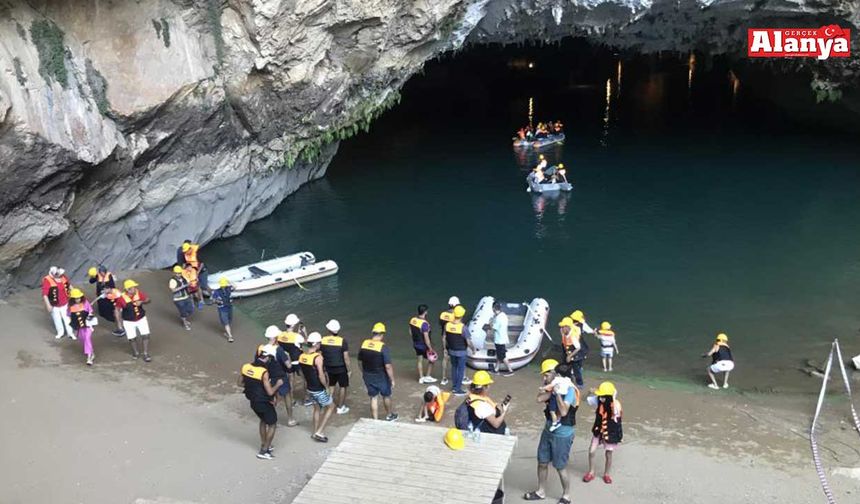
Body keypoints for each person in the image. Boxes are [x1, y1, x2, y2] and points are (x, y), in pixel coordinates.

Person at [524, 359, 579, 503]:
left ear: (555, 374)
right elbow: (539, 399)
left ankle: (566, 495)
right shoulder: (551, 386)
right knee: (542, 462)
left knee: (560, 467)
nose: (543, 378)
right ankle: (541, 491)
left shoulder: (570, 390)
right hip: (548, 430)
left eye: (545, 375)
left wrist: (557, 393)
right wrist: (549, 389)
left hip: (563, 434)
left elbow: (564, 411)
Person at [238, 344, 283, 460]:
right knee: (272, 424)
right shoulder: (264, 372)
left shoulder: (246, 367)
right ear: (267, 357)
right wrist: (278, 384)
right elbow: (269, 392)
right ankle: (264, 451)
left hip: (253, 401)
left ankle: (264, 443)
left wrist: (253, 384)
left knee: (263, 420)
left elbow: (239, 383)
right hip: (263, 401)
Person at [583, 381, 623, 484]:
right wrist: (589, 392)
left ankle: (606, 474)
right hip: (598, 430)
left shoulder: (616, 405)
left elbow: (616, 419)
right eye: (600, 396)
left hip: (610, 432)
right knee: (591, 451)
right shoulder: (598, 400)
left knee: (608, 454)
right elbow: (584, 400)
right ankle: (591, 472)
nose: (601, 398)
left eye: (603, 396)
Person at [300, 332, 335, 442]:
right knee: (331, 407)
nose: (320, 345)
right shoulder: (317, 357)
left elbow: (302, 373)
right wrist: (326, 387)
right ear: (316, 344)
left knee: (317, 408)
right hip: (318, 389)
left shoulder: (302, 356)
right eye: (319, 343)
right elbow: (321, 375)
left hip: (310, 388)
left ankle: (315, 431)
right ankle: (319, 432)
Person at [358, 322, 398, 421]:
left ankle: (375, 420)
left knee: (373, 398)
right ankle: (389, 415)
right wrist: (392, 379)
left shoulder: (364, 344)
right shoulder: (383, 347)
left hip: (367, 375)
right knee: (386, 396)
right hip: (381, 376)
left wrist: (363, 371)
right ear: (381, 334)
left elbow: (359, 361)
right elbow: (388, 366)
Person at [265, 325, 297, 427]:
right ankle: (290, 419)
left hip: (268, 377)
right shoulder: (278, 350)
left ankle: (271, 419)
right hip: (280, 376)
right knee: (287, 395)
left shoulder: (262, 348)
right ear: (275, 337)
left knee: (271, 397)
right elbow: (288, 365)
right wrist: (288, 357)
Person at [114, 279, 152, 361]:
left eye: (134, 287)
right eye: (132, 288)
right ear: (127, 289)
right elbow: (117, 310)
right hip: (128, 321)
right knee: (132, 338)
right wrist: (119, 324)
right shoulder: (121, 299)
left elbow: (148, 300)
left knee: (146, 335)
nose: (134, 289)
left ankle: (145, 353)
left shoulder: (139, 293)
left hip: (141, 318)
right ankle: (136, 352)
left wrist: (141, 302)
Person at [320, 319, 351, 415]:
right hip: (341, 367)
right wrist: (349, 370)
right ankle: (340, 407)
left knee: (331, 386)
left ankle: (327, 405)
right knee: (343, 387)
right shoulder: (342, 341)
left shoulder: (323, 340)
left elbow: (321, 354)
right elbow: (346, 357)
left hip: (328, 367)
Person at [465, 370, 509, 434]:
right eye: (488, 385)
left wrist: (495, 406)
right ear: (485, 388)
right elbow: (496, 424)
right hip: (491, 435)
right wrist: (504, 412)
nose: (489, 387)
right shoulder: (483, 406)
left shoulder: (470, 398)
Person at [279, 313, 309, 405]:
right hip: (297, 360)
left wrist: (298, 333)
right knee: (306, 378)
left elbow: (289, 342)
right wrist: (304, 332)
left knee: (291, 379)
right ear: (292, 325)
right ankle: (307, 399)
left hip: (287, 360)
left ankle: (291, 400)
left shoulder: (280, 335)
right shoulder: (297, 337)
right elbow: (307, 342)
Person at [446, 305, 475, 396]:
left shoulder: (448, 325)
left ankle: (454, 386)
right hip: (461, 351)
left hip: (451, 350)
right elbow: (468, 341)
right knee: (461, 369)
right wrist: (473, 349)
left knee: (454, 368)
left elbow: (445, 337)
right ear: (462, 316)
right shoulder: (463, 327)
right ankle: (457, 389)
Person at [88, 266, 124, 336]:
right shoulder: (97, 275)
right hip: (101, 294)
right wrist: (93, 277)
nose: (102, 274)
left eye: (103, 273)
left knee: (113, 309)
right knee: (102, 306)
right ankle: (106, 315)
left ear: (104, 272)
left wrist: (106, 290)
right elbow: (91, 281)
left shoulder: (109, 276)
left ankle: (119, 326)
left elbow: (112, 287)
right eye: (100, 273)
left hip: (110, 296)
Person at [42, 266, 74, 339]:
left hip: (65, 302)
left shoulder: (63, 277)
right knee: (57, 319)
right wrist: (48, 305)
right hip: (54, 305)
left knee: (67, 319)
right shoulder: (47, 280)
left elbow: (69, 286)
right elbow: (45, 294)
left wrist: (75, 293)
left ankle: (70, 333)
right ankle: (60, 332)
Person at [67, 288, 96, 365]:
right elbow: (69, 315)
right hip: (79, 327)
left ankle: (89, 358)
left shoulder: (85, 303)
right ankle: (91, 352)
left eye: (79, 298)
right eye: (76, 298)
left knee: (87, 338)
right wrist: (73, 326)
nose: (78, 299)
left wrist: (90, 316)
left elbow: (90, 311)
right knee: (83, 339)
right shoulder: (70, 306)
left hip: (87, 325)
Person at [409, 305, 436, 384]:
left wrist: (415, 339)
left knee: (419, 360)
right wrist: (430, 348)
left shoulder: (412, 320)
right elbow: (426, 337)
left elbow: (410, 332)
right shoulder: (425, 324)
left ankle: (421, 378)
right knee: (432, 359)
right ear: (425, 312)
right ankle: (427, 376)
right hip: (423, 345)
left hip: (416, 343)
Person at [179, 240, 210, 304]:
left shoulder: (196, 253)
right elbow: (184, 264)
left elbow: (202, 264)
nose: (185, 252)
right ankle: (196, 298)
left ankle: (206, 294)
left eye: (186, 251)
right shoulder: (184, 254)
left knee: (202, 286)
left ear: (190, 248)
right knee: (193, 285)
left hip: (201, 270)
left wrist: (197, 272)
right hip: (192, 271)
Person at [438, 296, 459, 386]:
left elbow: (441, 325)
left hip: (444, 338)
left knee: (445, 357)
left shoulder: (442, 314)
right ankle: (460, 376)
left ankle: (443, 378)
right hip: (453, 338)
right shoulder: (455, 315)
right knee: (457, 358)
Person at [489, 301, 513, 375]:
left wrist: (491, 322)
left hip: (499, 340)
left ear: (493, 308)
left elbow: (493, 328)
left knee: (502, 356)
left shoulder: (498, 318)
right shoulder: (503, 315)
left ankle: (510, 370)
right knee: (499, 355)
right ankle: (496, 369)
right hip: (503, 338)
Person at [168, 265, 193, 330]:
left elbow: (187, 283)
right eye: (177, 273)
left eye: (179, 273)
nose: (178, 274)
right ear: (174, 273)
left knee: (191, 310)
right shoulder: (172, 281)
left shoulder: (183, 278)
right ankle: (185, 323)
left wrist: (189, 284)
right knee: (183, 312)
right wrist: (183, 286)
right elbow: (173, 290)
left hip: (186, 296)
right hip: (178, 299)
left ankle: (184, 318)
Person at [211, 277, 235, 342]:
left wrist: (228, 281)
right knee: (226, 322)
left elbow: (235, 286)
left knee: (229, 320)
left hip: (229, 307)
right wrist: (217, 301)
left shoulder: (229, 288)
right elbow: (213, 300)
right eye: (223, 286)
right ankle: (230, 336)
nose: (224, 287)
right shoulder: (216, 292)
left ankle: (227, 331)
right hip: (222, 308)